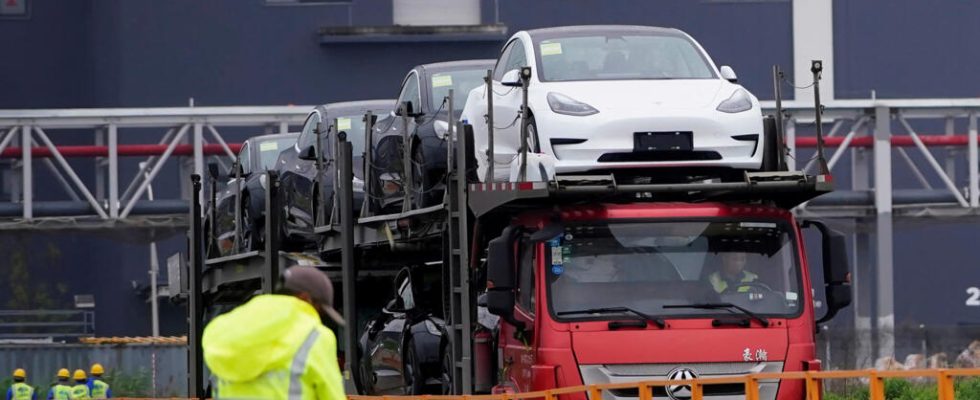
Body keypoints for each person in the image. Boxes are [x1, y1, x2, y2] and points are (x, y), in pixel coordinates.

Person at [203, 265, 345, 400]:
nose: (319, 316)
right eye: (319, 309)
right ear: (305, 298)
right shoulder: (314, 335)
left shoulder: (229, 329)